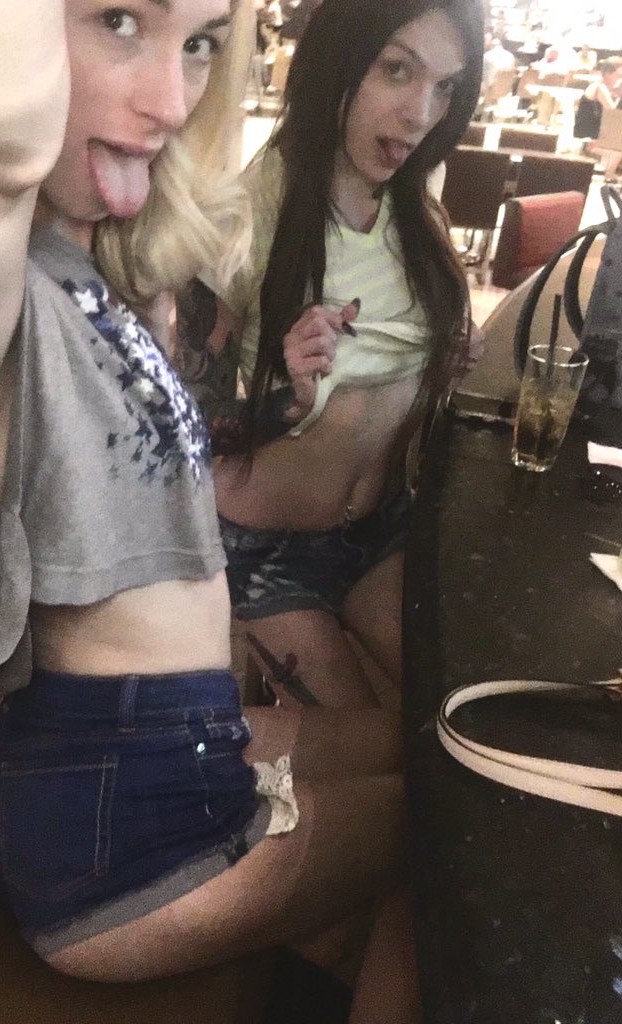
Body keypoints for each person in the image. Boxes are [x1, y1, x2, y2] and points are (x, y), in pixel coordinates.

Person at [0, 1, 416, 1018]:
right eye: (120, 20)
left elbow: (142, 470)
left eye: (201, 42)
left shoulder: (76, 266)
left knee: (425, 750)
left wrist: (277, 403)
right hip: (113, 831)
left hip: (160, 748)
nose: (173, 101)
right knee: (454, 838)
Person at [177, 0, 485, 709]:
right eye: (397, 69)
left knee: (455, 713)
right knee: (376, 746)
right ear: (337, 62)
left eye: (445, 86)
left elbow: (398, 384)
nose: (420, 114)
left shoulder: (418, 204)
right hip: (267, 547)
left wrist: (444, 365)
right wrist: (287, 401)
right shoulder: (248, 212)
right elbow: (184, 435)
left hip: (378, 531)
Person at [574, 59, 622, 140]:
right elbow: (612, 112)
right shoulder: (600, 88)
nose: (619, 78)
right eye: (616, 75)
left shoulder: (598, 86)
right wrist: (619, 97)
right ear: (607, 74)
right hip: (589, 132)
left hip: (586, 129)